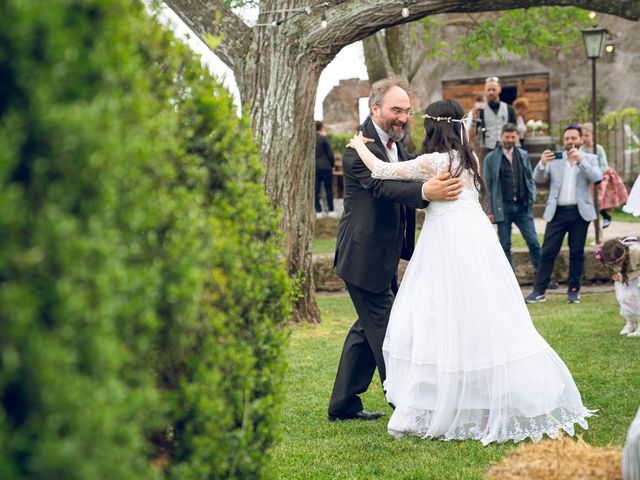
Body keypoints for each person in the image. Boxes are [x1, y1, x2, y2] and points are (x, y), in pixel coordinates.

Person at [346, 99, 592, 444]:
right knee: (481, 312)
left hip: (445, 240)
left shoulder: (434, 161)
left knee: (436, 313)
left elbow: (381, 171)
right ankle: (483, 398)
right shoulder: (469, 158)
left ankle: (444, 398)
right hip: (476, 239)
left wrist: (359, 145)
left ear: (433, 127)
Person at [328, 79, 464, 422]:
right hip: (362, 258)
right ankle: (407, 406)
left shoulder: (399, 146)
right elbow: (382, 185)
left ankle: (343, 405)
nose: (403, 117)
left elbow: (408, 171)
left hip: (385, 258)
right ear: (375, 110)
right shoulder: (355, 148)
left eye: (407, 111)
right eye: (396, 110)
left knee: (365, 331)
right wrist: (426, 192)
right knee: (392, 332)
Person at [525, 125, 603, 305]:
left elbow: (597, 177)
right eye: (567, 138)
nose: (570, 142)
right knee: (548, 252)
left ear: (581, 140)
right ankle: (539, 291)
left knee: (576, 253)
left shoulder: (590, 158)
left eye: (574, 138)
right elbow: (539, 178)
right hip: (557, 213)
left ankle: (574, 291)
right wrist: (542, 164)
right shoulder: (556, 158)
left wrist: (580, 161)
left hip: (579, 213)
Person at [484, 123, 541, 272]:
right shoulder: (490, 158)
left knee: (534, 242)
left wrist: (531, 197)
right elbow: (487, 186)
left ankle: (542, 276)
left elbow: (530, 178)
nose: (510, 139)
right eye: (507, 136)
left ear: (517, 137)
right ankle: (510, 279)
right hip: (503, 207)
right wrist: (489, 210)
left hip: (523, 207)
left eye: (513, 136)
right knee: (505, 245)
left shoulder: (523, 154)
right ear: (501, 137)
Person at [580, 122, 628, 228]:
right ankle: (599, 223)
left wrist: (596, 174)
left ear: (592, 136)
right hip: (588, 179)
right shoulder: (581, 150)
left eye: (587, 135)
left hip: (600, 177)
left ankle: (606, 217)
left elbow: (604, 165)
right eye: (582, 135)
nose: (584, 138)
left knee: (597, 201)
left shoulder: (598, 148)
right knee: (591, 202)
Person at [595, 237, 640, 337]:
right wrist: (619, 276)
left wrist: (629, 276)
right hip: (626, 278)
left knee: (637, 298)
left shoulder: (637, 251)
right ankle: (630, 323)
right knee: (624, 298)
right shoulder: (608, 254)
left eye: (616, 263)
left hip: (637, 277)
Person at [471, 76, 516, 163]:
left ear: (499, 89)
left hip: (507, 149)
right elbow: (472, 135)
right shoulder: (480, 111)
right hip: (487, 149)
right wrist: (474, 118)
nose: (491, 92)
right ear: (485, 91)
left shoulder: (509, 109)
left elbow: (515, 130)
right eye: (488, 90)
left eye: (494, 89)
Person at [315, 120, 336, 218]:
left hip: (315, 167)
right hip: (326, 167)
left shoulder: (310, 140)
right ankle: (331, 210)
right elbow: (330, 154)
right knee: (328, 189)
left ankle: (318, 211)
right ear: (321, 128)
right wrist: (332, 165)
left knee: (316, 190)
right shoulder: (324, 139)